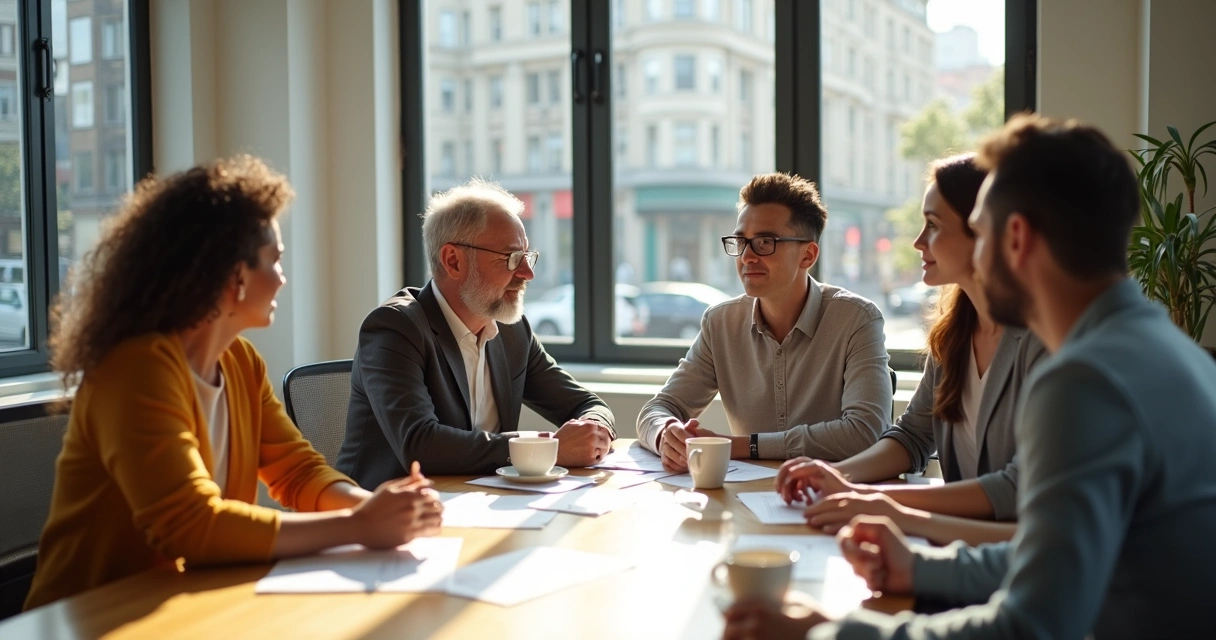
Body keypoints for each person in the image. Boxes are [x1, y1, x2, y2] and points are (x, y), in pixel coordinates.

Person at [723, 114, 1216, 639]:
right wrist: (922, 568)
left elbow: (1030, 625)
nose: (973, 256)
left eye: (978, 231)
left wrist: (827, 634)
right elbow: (1051, 558)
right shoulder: (1160, 347)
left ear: (1017, 238)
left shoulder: (1084, 381)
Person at [25, 156, 442, 610]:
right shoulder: (136, 368)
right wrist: (359, 527)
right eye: (274, 261)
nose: (282, 279)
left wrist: (371, 507)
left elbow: (298, 471)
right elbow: (191, 525)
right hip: (92, 615)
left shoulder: (240, 361)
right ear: (234, 275)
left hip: (184, 604)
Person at [774, 154, 1046, 546]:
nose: (918, 242)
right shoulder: (953, 333)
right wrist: (838, 476)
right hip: (955, 548)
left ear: (983, 231)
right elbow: (914, 436)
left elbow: (1015, 487)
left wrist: (872, 499)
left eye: (933, 226)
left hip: (1011, 559)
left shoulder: (1040, 341)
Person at [337, 178, 615, 483]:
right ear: (453, 261)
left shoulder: (511, 330)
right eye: (511, 258)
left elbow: (587, 404)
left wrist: (594, 429)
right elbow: (420, 445)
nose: (527, 273)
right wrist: (547, 448)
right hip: (386, 515)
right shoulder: (394, 329)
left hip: (478, 506)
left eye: (527, 256)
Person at [637, 173, 891, 471]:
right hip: (746, 503)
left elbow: (865, 433)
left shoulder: (856, 319)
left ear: (807, 255)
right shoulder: (721, 323)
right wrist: (666, 433)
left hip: (836, 499)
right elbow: (656, 410)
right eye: (741, 242)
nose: (747, 256)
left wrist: (741, 445)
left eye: (764, 242)